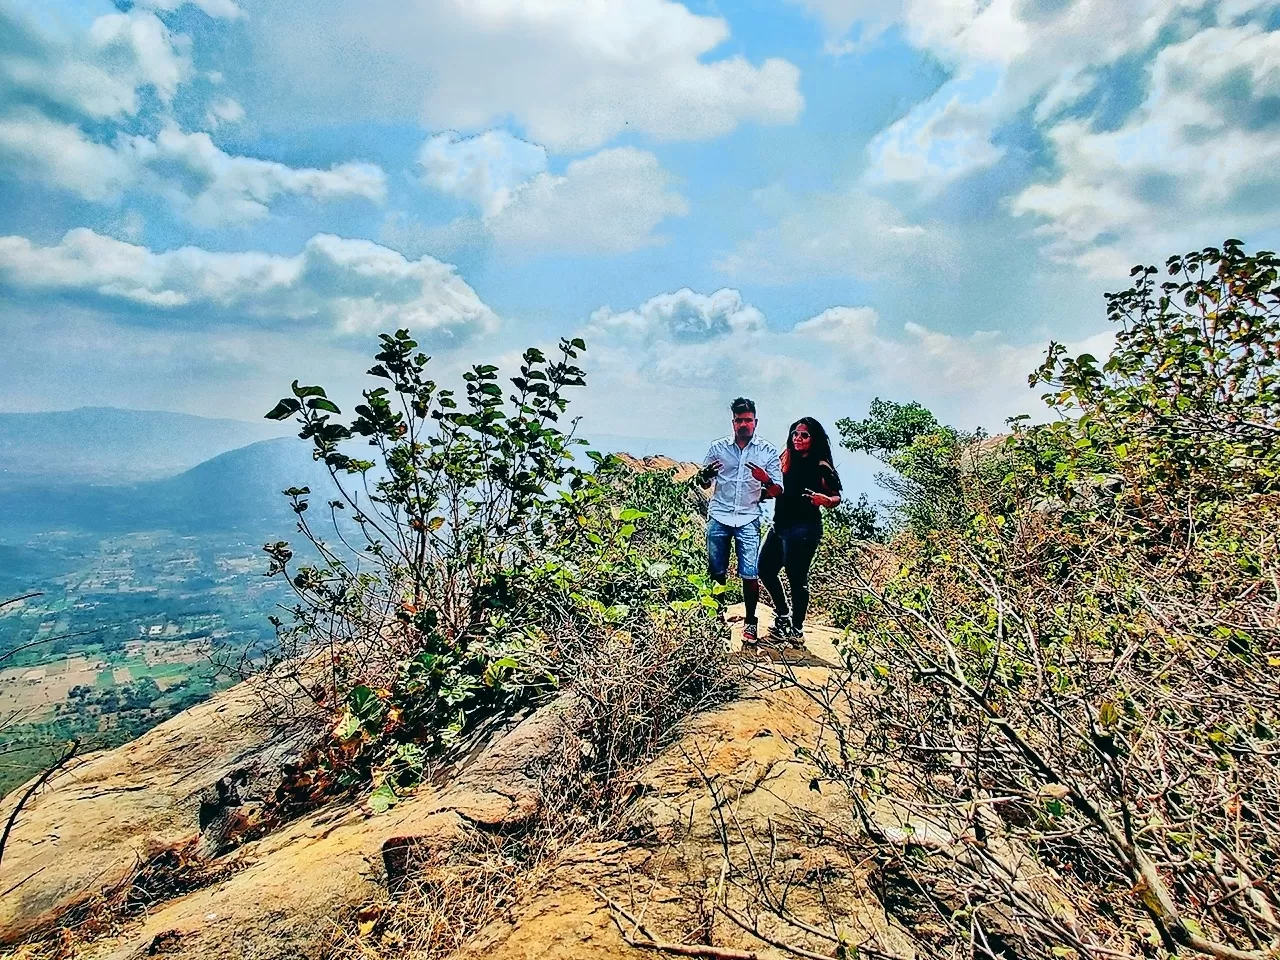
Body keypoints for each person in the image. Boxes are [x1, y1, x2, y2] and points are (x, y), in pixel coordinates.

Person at [696, 398, 783, 646]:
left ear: (756, 422)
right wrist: (706, 475)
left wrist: (764, 479)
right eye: (739, 420)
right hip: (720, 515)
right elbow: (704, 483)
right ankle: (715, 620)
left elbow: (778, 490)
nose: (743, 424)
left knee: (750, 572)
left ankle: (751, 622)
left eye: (748, 420)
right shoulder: (718, 448)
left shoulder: (766, 452)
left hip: (747, 517)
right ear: (732, 422)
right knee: (716, 572)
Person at [759, 417, 842, 645]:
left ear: (813, 439)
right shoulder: (785, 458)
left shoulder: (820, 465)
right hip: (780, 525)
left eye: (804, 435)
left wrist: (825, 500)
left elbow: (836, 496)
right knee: (765, 569)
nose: (798, 438)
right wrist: (760, 493)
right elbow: (776, 487)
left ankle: (796, 628)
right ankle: (783, 615)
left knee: (797, 579)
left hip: (805, 529)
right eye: (795, 433)